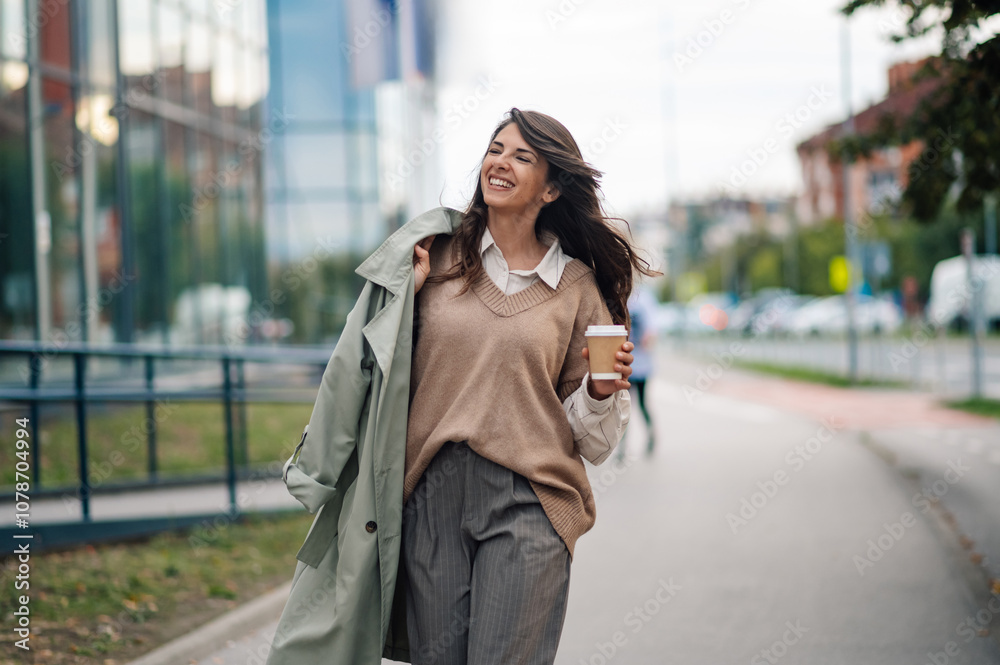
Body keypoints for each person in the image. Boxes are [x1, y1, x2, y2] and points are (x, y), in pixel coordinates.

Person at [402, 108, 659, 664]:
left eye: (522, 157)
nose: (500, 163)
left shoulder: (577, 288)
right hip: (431, 499)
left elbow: (595, 442)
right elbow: (378, 370)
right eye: (495, 149)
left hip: (529, 501)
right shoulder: (434, 257)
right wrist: (402, 301)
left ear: (550, 190)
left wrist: (598, 390)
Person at [617, 285, 659, 458]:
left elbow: (652, 330)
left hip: (641, 364)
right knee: (624, 407)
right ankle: (622, 448)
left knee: (641, 404)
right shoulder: (619, 297)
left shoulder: (644, 299)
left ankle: (651, 435)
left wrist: (648, 338)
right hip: (625, 365)